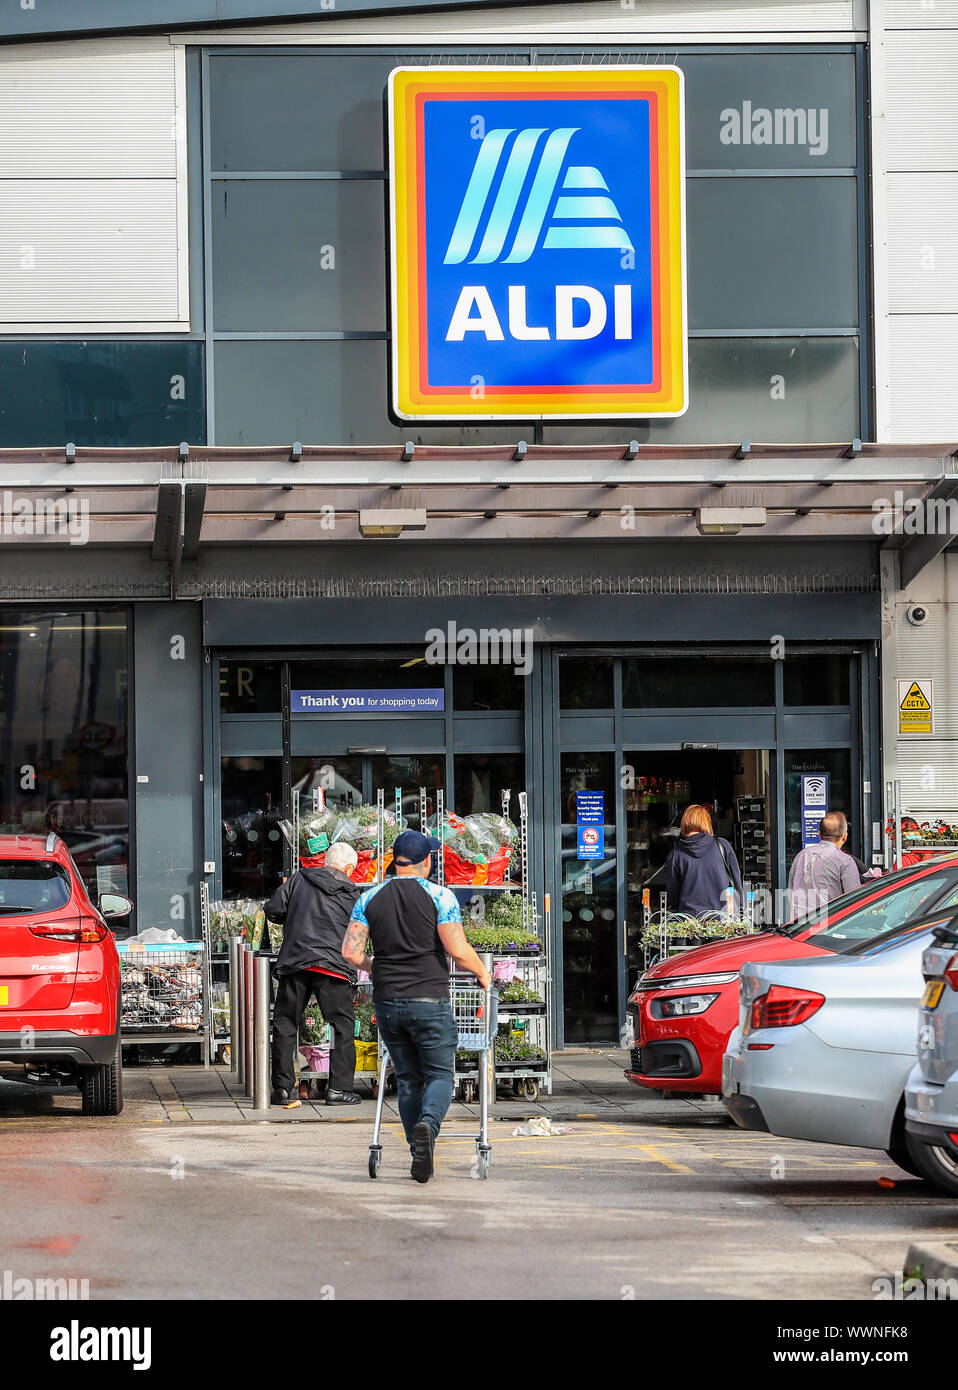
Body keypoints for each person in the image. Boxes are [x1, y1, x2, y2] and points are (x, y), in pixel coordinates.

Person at [342, 829, 491, 1184]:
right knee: (440, 1074)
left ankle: (416, 1150)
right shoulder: (441, 896)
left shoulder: (370, 897)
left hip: (388, 1001)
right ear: (427, 861)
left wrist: (375, 967)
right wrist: (483, 973)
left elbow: (350, 952)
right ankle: (428, 1126)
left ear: (395, 862)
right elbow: (456, 948)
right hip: (429, 999)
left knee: (408, 1079)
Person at [265, 841, 363, 1107]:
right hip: (334, 967)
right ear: (349, 868)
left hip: (296, 961)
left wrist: (294, 918)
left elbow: (273, 909)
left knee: (286, 1024)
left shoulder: (299, 879)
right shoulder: (353, 894)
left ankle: (282, 1089)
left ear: (325, 862)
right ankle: (338, 1090)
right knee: (341, 1027)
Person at [666, 803, 744, 917]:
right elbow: (736, 883)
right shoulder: (722, 846)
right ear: (707, 823)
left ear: (684, 824)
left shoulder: (676, 855)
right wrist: (741, 912)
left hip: (690, 922)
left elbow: (673, 895)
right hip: (723, 920)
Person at [787, 810, 862, 919]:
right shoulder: (845, 861)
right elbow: (855, 900)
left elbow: (791, 892)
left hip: (798, 927)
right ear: (844, 837)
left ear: (819, 834)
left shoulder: (801, 856)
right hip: (830, 927)